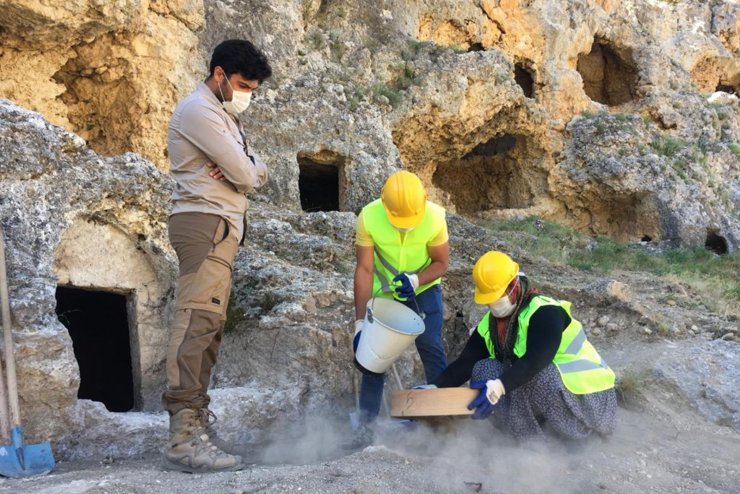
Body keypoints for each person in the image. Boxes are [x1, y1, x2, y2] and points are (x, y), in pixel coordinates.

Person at [162, 39, 271, 472]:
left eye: (253, 89)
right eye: (243, 84)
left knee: (208, 330)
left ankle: (197, 428)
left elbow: (251, 169)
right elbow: (247, 172)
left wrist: (244, 166)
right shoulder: (200, 111)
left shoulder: (224, 117)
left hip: (221, 228)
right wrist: (243, 167)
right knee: (194, 325)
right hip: (204, 224)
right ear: (220, 74)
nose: (247, 95)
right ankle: (183, 439)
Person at [432, 251, 617, 440]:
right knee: (484, 369)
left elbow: (536, 360)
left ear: (513, 285)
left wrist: (500, 386)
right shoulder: (491, 325)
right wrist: (432, 390)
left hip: (589, 397)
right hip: (555, 393)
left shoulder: (545, 312)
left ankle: (575, 439)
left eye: (498, 296)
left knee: (539, 375)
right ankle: (529, 440)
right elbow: (464, 363)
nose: (494, 304)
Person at [349, 170, 449, 447]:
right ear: (384, 204)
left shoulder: (435, 217)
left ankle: (442, 426)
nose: (404, 225)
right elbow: (365, 269)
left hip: (425, 290)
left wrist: (416, 280)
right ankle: (366, 430)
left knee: (431, 347)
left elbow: (441, 263)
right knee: (373, 356)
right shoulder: (369, 217)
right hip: (386, 293)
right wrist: (360, 324)